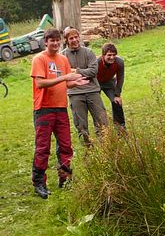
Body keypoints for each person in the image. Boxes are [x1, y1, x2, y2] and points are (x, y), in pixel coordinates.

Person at [31, 28, 89, 198]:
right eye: (52, 41)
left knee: (65, 145)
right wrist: (65, 78)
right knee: (43, 148)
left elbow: (66, 84)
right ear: (45, 42)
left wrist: (75, 83)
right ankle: (39, 183)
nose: (55, 43)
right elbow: (40, 83)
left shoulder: (63, 59)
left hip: (61, 108)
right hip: (43, 109)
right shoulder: (39, 59)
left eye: (57, 40)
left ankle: (65, 178)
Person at [62, 27, 108, 144]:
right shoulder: (62, 57)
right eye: (71, 38)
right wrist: (79, 73)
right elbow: (63, 75)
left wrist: (75, 71)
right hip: (75, 93)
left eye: (76, 37)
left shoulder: (88, 52)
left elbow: (93, 71)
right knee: (81, 126)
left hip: (92, 91)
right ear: (66, 40)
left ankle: (106, 149)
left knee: (102, 122)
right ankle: (89, 153)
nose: (74, 40)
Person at [96, 42, 126, 128]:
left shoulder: (119, 62)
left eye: (114, 55)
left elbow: (120, 78)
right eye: (109, 55)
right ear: (103, 55)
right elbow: (91, 77)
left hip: (109, 82)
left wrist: (117, 94)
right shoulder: (97, 62)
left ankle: (120, 127)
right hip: (96, 83)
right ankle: (101, 128)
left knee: (117, 102)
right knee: (97, 105)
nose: (112, 57)